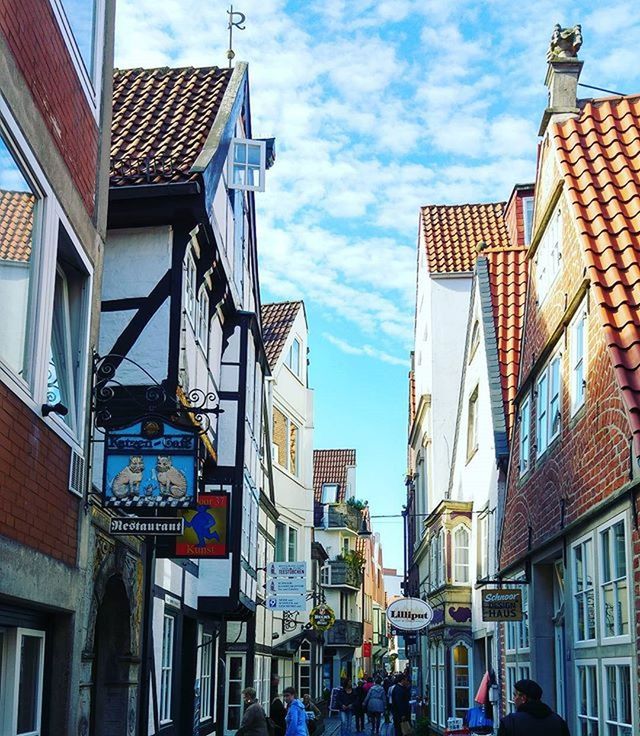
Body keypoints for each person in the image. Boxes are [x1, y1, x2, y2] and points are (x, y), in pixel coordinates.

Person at [498, 679, 570, 736]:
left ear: (523, 698)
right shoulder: (558, 721)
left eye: (515, 695)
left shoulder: (510, 723)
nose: (513, 699)